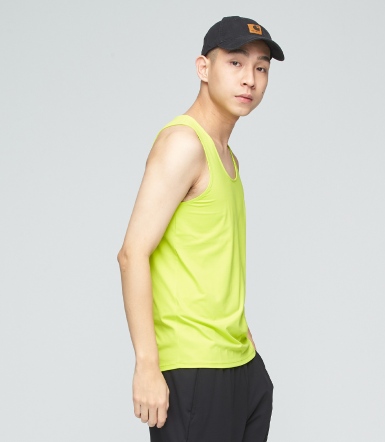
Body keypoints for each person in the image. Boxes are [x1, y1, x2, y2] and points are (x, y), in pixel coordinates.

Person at [117, 15, 284, 442]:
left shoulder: (226, 156)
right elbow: (132, 253)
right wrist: (147, 365)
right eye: (236, 63)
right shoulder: (183, 144)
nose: (250, 79)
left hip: (240, 367)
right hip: (194, 371)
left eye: (261, 67)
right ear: (203, 68)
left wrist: (250, 354)